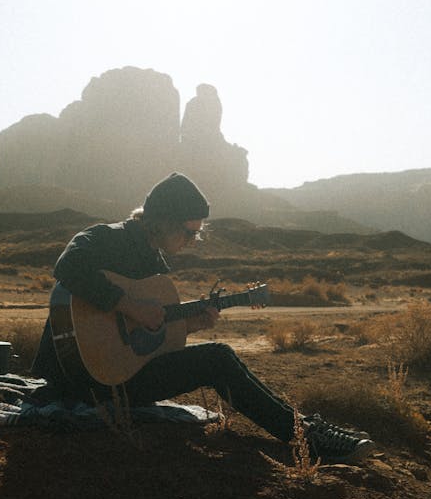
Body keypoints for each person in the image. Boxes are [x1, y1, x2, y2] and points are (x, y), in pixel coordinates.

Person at [32, 172, 374, 463]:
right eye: (188, 232)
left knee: (216, 355)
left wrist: (190, 325)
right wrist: (130, 306)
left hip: (117, 374)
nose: (193, 240)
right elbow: (67, 267)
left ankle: (305, 427)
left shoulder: (155, 262)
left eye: (198, 233)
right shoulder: (106, 238)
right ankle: (305, 437)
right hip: (77, 378)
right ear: (162, 221)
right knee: (218, 357)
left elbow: (139, 343)